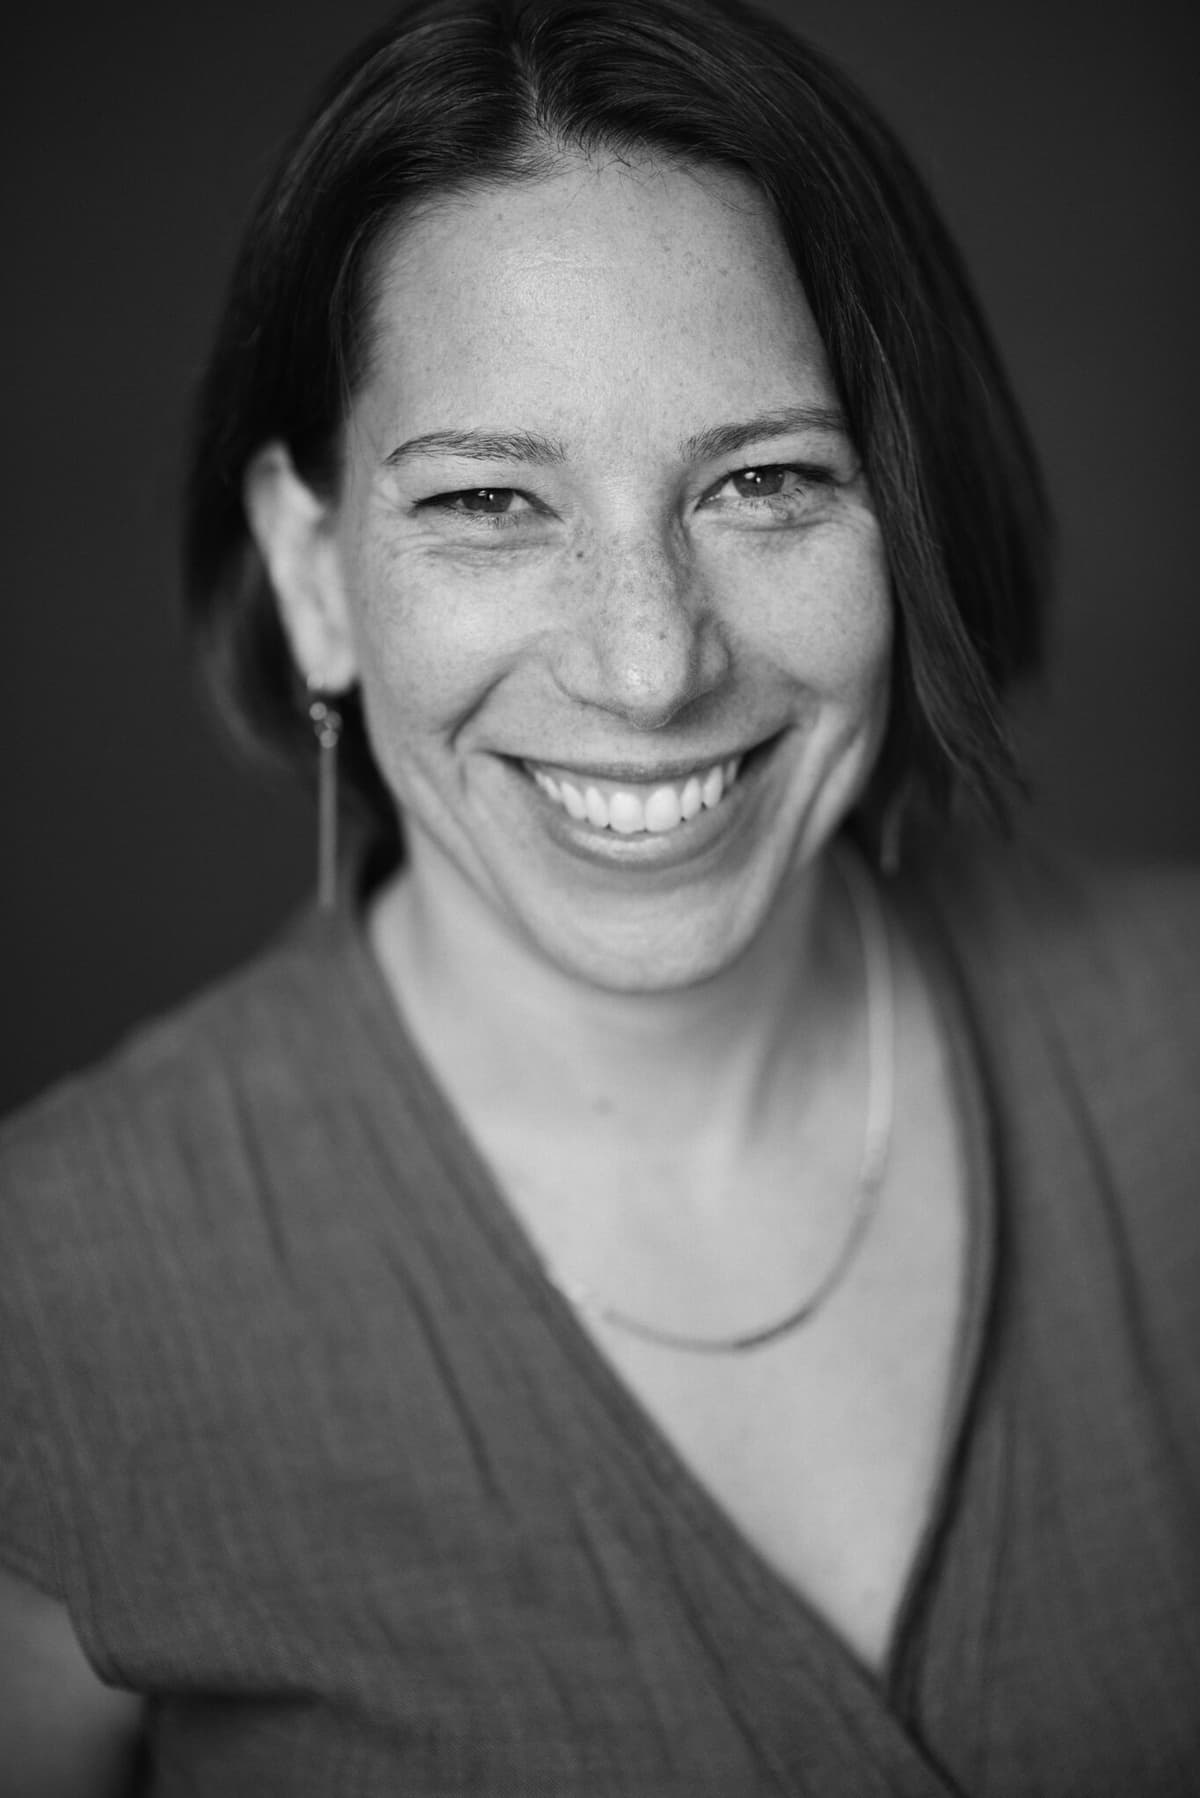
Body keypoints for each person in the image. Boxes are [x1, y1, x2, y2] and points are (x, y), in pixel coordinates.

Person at [2, 0, 1197, 1791]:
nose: (649, 668)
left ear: (912, 513)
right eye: (492, 500)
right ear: (313, 574)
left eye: (768, 480)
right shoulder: (56, 1293)